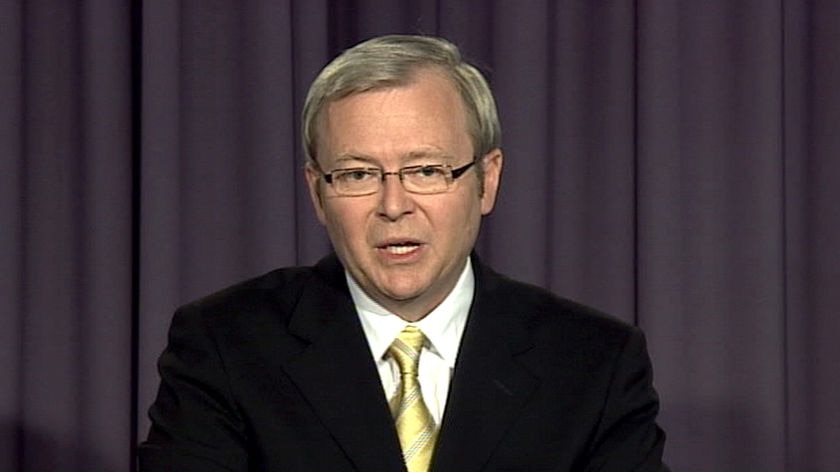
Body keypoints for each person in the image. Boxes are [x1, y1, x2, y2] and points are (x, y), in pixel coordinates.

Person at [139, 35, 668, 471]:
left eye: (426, 171)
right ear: (317, 192)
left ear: (487, 180)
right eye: (357, 174)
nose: (394, 205)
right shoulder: (225, 346)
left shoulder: (593, 363)